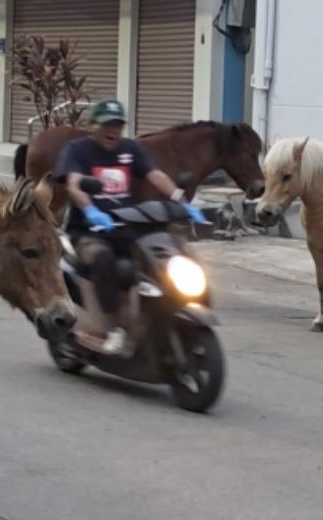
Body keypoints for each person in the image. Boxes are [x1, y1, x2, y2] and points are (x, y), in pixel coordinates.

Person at [54, 98, 208, 355]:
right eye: (106, 125)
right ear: (93, 126)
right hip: (89, 231)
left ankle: (169, 312)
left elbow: (155, 175)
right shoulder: (77, 150)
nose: (112, 130)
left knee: (168, 254)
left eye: (117, 125)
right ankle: (113, 329)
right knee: (104, 259)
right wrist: (90, 210)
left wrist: (183, 202)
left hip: (126, 225)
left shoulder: (129, 149)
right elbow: (74, 183)